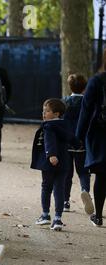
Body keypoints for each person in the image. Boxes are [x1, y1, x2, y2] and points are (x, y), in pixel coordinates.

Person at [31, 99, 74, 231]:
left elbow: (49, 140)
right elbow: (72, 139)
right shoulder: (66, 124)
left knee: (46, 187)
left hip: (49, 162)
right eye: (43, 110)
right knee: (59, 189)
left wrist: (51, 154)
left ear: (56, 113)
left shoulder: (48, 126)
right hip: (64, 162)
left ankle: (45, 215)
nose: (43, 113)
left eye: (47, 111)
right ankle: (58, 218)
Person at [76, 51, 106, 227]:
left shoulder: (96, 81)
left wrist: (78, 136)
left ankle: (99, 215)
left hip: (99, 132)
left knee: (102, 175)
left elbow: (85, 110)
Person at [62, 74, 94, 215]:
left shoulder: (64, 102)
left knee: (66, 173)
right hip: (82, 143)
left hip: (67, 143)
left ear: (70, 86)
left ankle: (65, 202)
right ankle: (85, 190)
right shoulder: (88, 102)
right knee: (83, 172)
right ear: (84, 88)